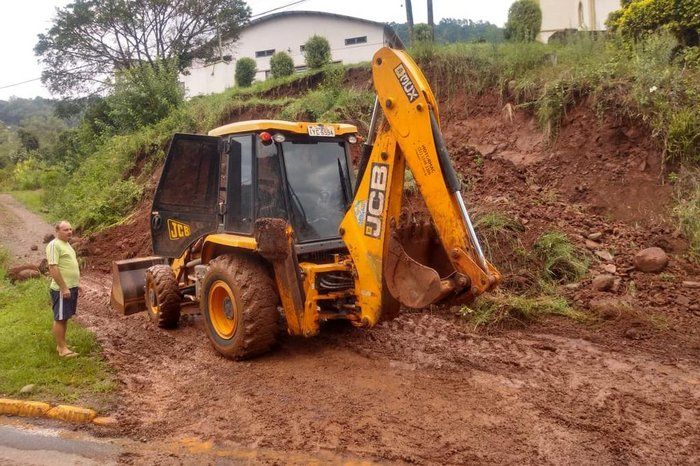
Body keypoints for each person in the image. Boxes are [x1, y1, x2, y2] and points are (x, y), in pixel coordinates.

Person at [46, 220, 80, 357]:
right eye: (66, 230)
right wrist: (64, 288)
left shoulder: (66, 245)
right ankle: (62, 349)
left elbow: (70, 265)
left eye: (70, 229)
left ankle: (62, 344)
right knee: (60, 318)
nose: (69, 232)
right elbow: (53, 267)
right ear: (57, 231)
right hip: (62, 289)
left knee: (64, 317)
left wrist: (77, 283)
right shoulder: (54, 245)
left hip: (71, 287)